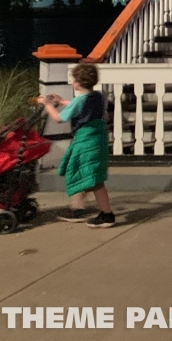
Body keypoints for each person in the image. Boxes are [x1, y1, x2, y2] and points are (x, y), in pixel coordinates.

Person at [37, 63, 115, 228]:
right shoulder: (98, 96)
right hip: (97, 139)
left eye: (73, 80)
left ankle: (105, 214)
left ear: (79, 82)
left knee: (90, 177)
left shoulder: (79, 100)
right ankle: (80, 209)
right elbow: (80, 106)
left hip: (86, 140)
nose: (72, 82)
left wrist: (48, 104)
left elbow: (59, 118)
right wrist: (62, 101)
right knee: (89, 174)